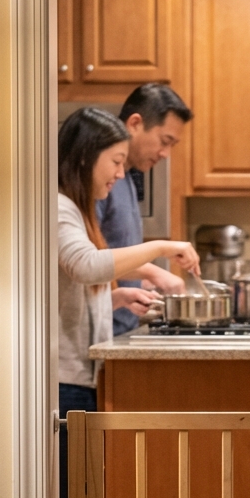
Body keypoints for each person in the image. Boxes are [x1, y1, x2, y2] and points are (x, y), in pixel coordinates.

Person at [58, 106, 201, 498]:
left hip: (80, 376)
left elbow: (78, 284)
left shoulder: (76, 209)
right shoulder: (59, 208)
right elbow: (86, 265)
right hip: (67, 383)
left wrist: (118, 298)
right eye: (114, 162)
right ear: (85, 156)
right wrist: (160, 251)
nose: (119, 174)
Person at [98, 83, 194, 335]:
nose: (166, 154)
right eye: (165, 141)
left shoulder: (127, 178)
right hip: (100, 333)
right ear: (135, 123)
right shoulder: (99, 180)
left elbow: (114, 252)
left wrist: (142, 281)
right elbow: (87, 259)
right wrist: (154, 269)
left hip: (120, 330)